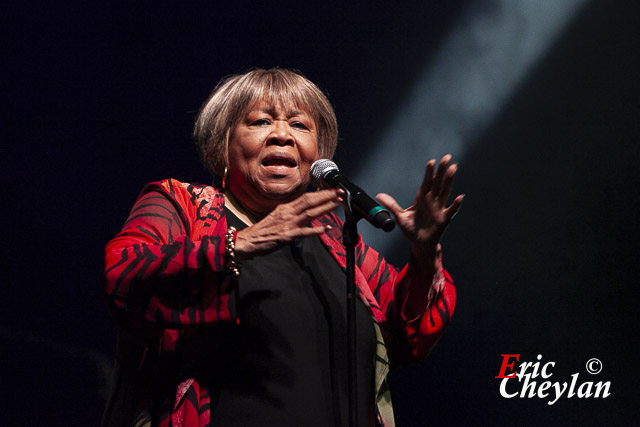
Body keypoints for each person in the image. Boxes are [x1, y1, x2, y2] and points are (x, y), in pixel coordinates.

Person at [102, 68, 464, 427]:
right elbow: (124, 274)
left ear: (318, 155)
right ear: (222, 144)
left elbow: (410, 336)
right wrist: (239, 243)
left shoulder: (335, 241)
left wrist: (424, 252)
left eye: (300, 125)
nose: (282, 135)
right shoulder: (183, 206)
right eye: (260, 121)